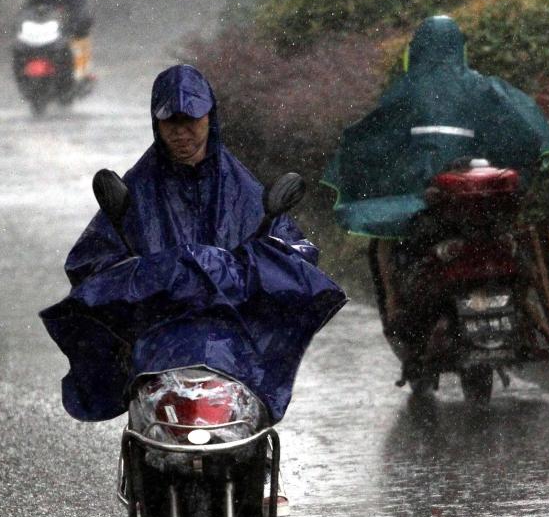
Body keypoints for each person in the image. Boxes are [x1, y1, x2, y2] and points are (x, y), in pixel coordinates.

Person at [41, 64, 346, 422]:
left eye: (191, 122)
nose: (181, 134)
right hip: (160, 342)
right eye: (171, 123)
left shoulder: (241, 189)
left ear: (210, 119)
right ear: (156, 124)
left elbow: (293, 250)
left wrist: (237, 271)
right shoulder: (137, 190)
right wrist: (152, 277)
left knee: (255, 429)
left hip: (231, 346)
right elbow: (90, 264)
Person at [322, 15, 549, 338]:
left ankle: (394, 313)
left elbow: (377, 139)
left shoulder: (406, 92)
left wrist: (363, 168)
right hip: (481, 208)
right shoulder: (482, 87)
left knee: (383, 248)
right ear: (459, 48)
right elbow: (518, 129)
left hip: (425, 205)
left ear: (417, 50)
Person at [7, 0, 95, 82]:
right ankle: (22, 66)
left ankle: (82, 69)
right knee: (20, 25)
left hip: (68, 0)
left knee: (81, 22)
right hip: (36, 2)